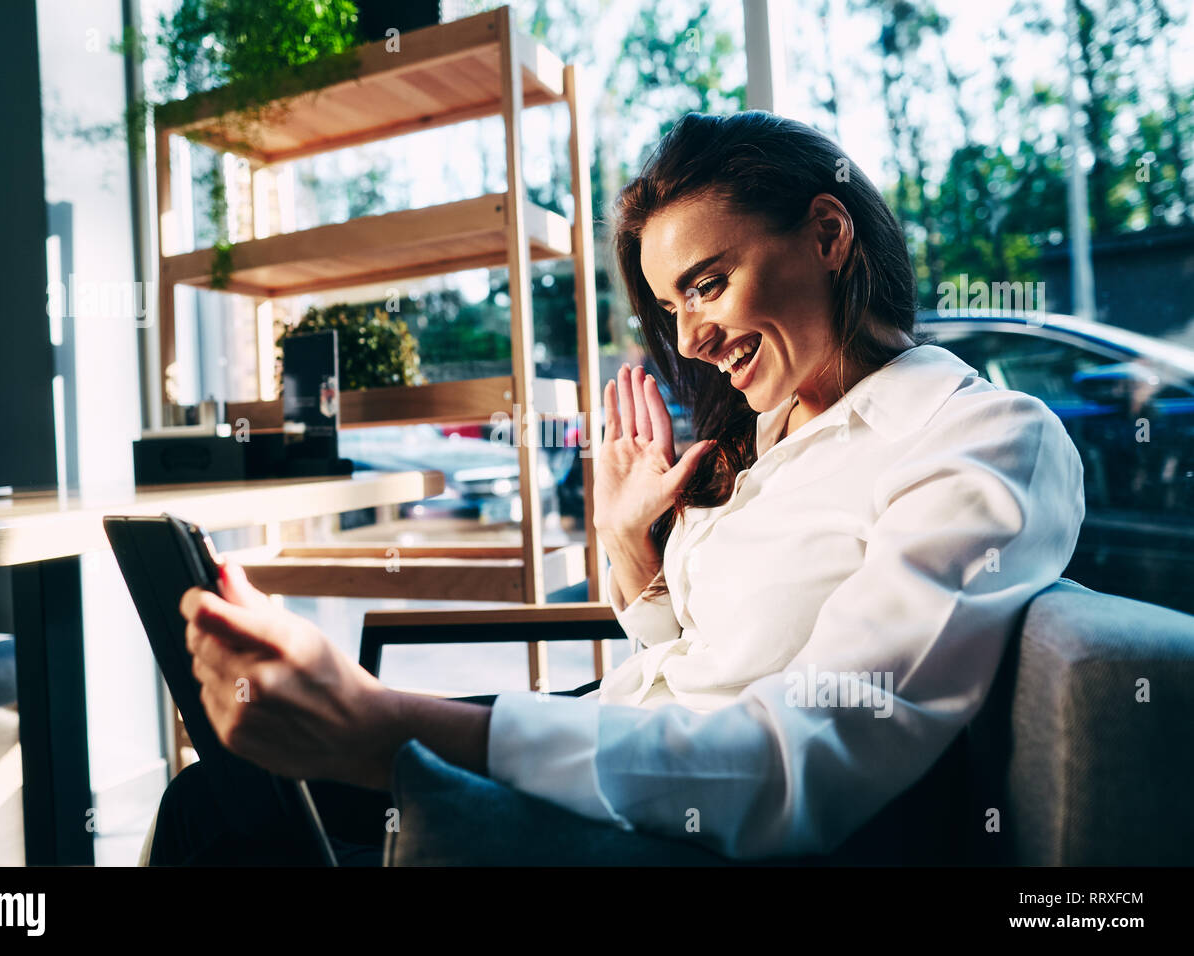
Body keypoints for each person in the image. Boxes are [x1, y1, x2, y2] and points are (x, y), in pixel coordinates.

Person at [148, 110, 1085, 866]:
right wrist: (636, 557)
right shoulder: (769, 434)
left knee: (223, 815)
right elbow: (708, 656)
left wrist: (379, 726)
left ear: (829, 234)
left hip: (686, 804)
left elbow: (803, 766)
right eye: (673, 307)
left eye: (708, 285)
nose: (687, 342)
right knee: (224, 790)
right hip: (629, 723)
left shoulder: (977, 440)